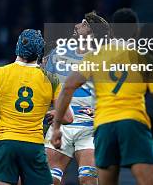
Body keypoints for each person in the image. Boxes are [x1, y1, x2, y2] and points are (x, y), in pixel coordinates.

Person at [51, 8, 153, 185]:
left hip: (104, 126)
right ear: (136, 30)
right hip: (133, 123)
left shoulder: (95, 56)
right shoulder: (144, 57)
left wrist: (56, 127)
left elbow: (68, 87)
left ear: (113, 30)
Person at [0, 29, 74, 185]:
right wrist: (54, 113)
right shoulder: (52, 79)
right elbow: (68, 117)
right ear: (39, 52)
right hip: (34, 145)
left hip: (5, 143)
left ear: (18, 46)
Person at [43, 11, 110, 185]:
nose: (76, 26)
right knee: (49, 180)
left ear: (91, 33)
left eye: (83, 23)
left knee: (87, 179)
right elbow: (46, 85)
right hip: (62, 123)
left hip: (90, 126)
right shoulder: (59, 53)